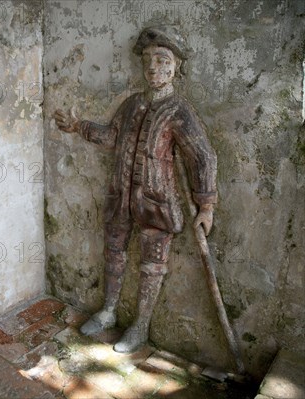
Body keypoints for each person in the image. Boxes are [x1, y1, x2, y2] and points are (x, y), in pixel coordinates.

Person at [54, 26, 217, 353]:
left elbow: (202, 155)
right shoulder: (131, 105)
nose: (153, 66)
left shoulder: (177, 110)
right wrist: (78, 126)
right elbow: (112, 137)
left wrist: (206, 204)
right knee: (113, 254)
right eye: (148, 59)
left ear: (176, 67)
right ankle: (109, 311)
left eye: (162, 59)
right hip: (120, 196)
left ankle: (140, 326)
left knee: (151, 265)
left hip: (156, 202)